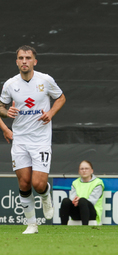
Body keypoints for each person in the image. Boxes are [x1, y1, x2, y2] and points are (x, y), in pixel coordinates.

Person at [0, 45, 66, 234]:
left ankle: (45, 196)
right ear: (16, 62)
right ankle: (31, 224)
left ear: (34, 61)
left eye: (28, 58)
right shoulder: (10, 84)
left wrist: (51, 113)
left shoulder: (45, 80)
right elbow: (1, 108)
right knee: (24, 183)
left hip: (40, 139)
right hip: (20, 138)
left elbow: (61, 98)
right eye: (21, 58)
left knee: (38, 184)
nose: (24, 61)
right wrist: (6, 112)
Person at [60, 160, 104, 225]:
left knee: (83, 201)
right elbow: (72, 199)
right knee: (65, 201)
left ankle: (85, 227)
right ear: (79, 171)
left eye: (86, 168)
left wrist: (79, 201)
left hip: (91, 213)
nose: (84, 170)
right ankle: (63, 227)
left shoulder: (98, 183)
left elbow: (92, 201)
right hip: (77, 210)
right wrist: (75, 201)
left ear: (92, 171)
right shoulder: (75, 183)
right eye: (82, 169)